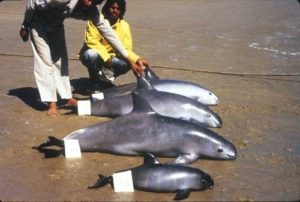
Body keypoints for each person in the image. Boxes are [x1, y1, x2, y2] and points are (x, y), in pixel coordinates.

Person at [19, 0, 146, 117]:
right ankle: (51, 102)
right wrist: (25, 25)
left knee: (61, 61)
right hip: (38, 23)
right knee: (45, 61)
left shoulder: (92, 9)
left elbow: (110, 34)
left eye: (94, 1)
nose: (89, 2)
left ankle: (67, 96)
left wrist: (131, 60)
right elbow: (32, 3)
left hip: (56, 25)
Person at [79, 0, 149, 92]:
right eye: (112, 8)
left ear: (122, 11)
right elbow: (92, 42)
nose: (115, 11)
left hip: (112, 58)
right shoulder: (96, 18)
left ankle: (104, 77)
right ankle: (95, 84)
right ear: (108, 7)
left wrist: (137, 59)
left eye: (118, 9)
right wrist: (106, 57)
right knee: (91, 55)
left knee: (129, 62)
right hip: (95, 54)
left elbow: (126, 49)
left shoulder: (124, 26)